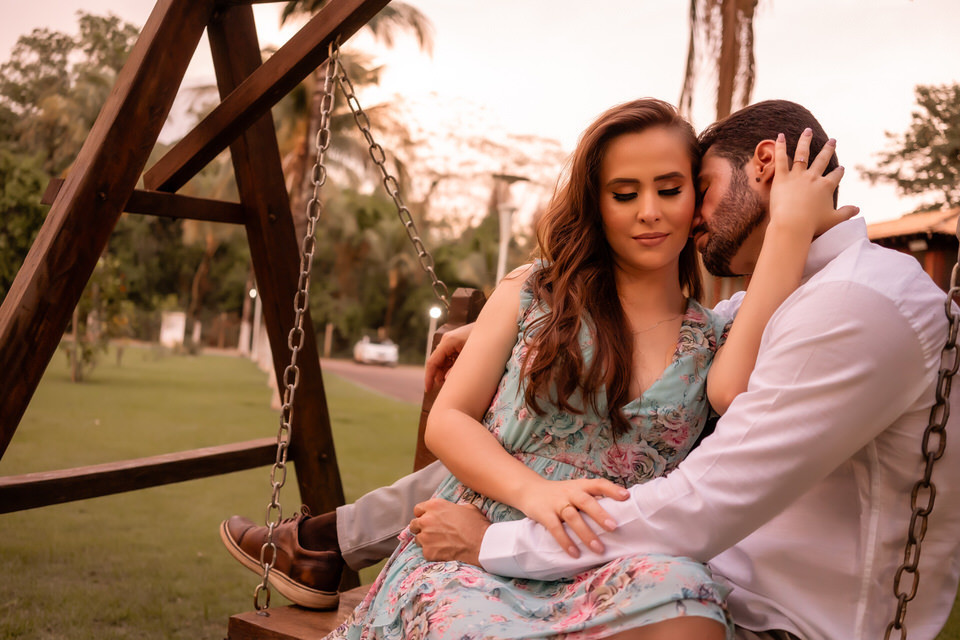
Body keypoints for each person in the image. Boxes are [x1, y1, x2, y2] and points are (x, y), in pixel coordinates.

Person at [221, 98, 851, 638]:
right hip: (474, 538)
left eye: (670, 188)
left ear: (695, 197)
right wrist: (537, 494)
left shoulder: (716, 336)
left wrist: (791, 225)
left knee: (689, 599)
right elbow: (448, 422)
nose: (649, 211)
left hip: (605, 558)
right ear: (596, 205)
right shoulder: (534, 294)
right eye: (624, 194)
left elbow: (734, 388)